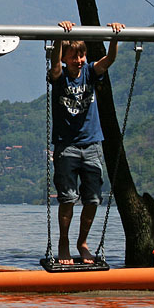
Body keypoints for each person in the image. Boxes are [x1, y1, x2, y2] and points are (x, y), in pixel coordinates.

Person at [49, 20, 125, 264]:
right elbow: (55, 65)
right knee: (68, 197)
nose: (78, 61)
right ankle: (63, 242)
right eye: (73, 57)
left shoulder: (90, 73)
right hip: (66, 146)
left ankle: (83, 242)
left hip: (92, 145)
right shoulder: (59, 78)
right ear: (65, 58)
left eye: (81, 56)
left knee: (92, 198)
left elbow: (109, 60)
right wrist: (60, 36)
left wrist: (114, 37)